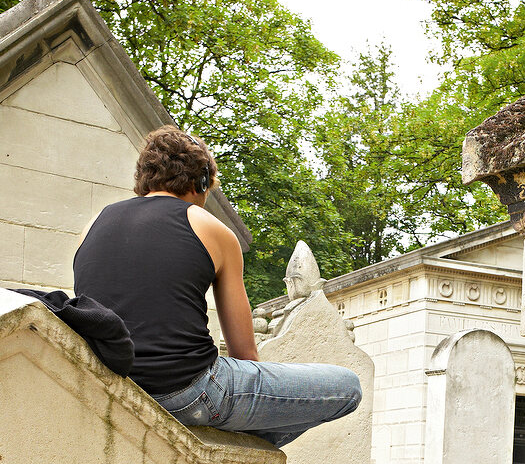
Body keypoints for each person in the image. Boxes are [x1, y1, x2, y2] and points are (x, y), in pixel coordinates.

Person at [73, 126, 361, 447]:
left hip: (113, 385)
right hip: (191, 392)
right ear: (199, 183)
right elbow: (244, 354)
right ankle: (247, 448)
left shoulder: (92, 225)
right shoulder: (212, 228)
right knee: (348, 388)